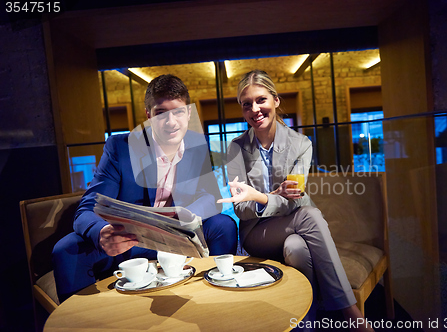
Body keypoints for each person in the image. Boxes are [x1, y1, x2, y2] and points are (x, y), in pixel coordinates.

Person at [53, 74, 237, 302]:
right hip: (130, 240)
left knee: (223, 225)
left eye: (178, 112)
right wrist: (102, 234)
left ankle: (218, 301)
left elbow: (211, 197)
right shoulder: (120, 147)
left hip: (175, 236)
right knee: (67, 249)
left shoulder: (196, 145)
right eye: (161, 113)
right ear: (148, 115)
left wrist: (184, 215)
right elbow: (86, 210)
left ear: (189, 113)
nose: (171, 122)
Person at [218, 70, 374, 331]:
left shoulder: (301, 144)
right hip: (257, 233)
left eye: (261, 100)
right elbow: (242, 210)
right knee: (310, 214)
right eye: (247, 105)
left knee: (297, 248)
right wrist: (268, 196)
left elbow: (293, 200)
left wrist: (259, 197)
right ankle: (351, 315)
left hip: (295, 228)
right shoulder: (236, 148)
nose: (255, 109)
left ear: (275, 101)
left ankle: (305, 323)